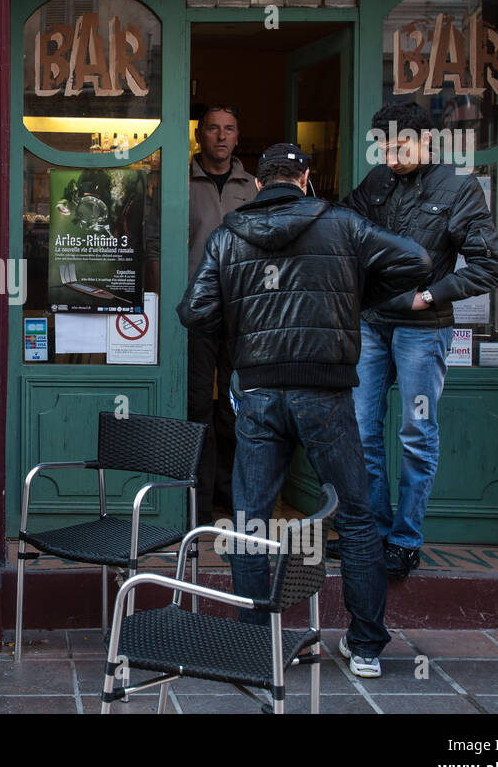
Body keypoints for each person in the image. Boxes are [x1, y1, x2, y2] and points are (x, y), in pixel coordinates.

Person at [178, 143, 430, 677]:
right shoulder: (344, 225)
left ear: (262, 181)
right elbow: (416, 259)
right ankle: (364, 648)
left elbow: (194, 311)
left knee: (249, 521)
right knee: (357, 519)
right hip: (327, 394)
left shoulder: (228, 234)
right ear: (306, 177)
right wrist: (352, 294)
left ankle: (255, 643)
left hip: (261, 392)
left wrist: (241, 320)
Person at [343, 103, 498, 579]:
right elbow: (344, 235)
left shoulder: (459, 188)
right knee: (360, 430)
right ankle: (372, 535)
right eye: (386, 146)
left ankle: (405, 538)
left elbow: (489, 266)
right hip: (371, 323)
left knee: (416, 434)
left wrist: (430, 295)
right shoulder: (375, 183)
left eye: (403, 146)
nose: (392, 155)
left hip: (423, 328)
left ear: (429, 141)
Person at [186, 104, 257, 525]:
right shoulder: (182, 181)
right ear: (200, 136)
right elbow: (157, 244)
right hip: (196, 312)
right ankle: (198, 501)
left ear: (237, 136)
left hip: (243, 311)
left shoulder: (253, 186)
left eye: (229, 128)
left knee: (236, 405)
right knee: (197, 404)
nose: (221, 136)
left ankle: (232, 497)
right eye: (213, 128)